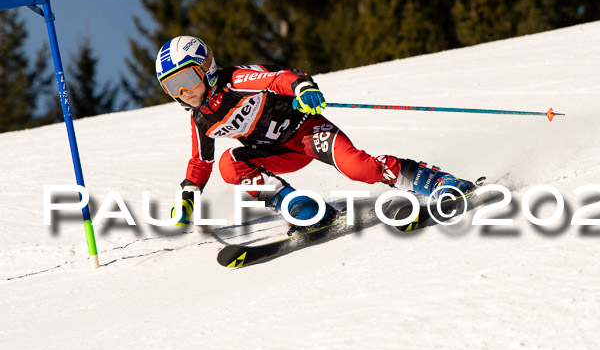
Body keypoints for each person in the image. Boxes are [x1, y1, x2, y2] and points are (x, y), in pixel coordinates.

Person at [155, 35, 474, 231]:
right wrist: (187, 199)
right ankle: (298, 207)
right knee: (229, 163)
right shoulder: (201, 119)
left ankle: (436, 181)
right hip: (279, 154)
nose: (182, 92)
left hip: (307, 132)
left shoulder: (235, 81)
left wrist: (302, 88)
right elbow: (200, 162)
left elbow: (279, 78)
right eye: (172, 87)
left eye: (186, 79)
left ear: (205, 67)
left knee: (359, 169)